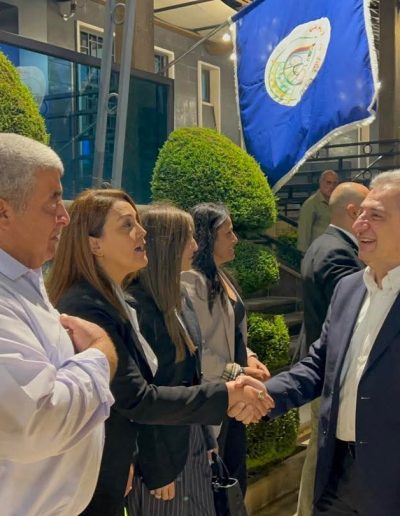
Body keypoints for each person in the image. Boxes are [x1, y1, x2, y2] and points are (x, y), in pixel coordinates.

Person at [46, 189, 274, 516]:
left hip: (132, 461)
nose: (141, 232)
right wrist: (228, 393)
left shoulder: (117, 299)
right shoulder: (88, 305)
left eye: (138, 223)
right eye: (127, 225)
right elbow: (136, 398)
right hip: (97, 475)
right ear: (94, 244)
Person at [265, 170, 400, 515]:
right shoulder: (348, 288)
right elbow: (320, 364)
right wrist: (264, 395)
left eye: (375, 216)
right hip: (336, 479)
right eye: (360, 214)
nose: (359, 225)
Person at [0, 133, 117, 516]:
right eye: (53, 201)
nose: (64, 217)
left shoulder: (26, 280)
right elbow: (35, 421)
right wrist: (100, 355)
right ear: (3, 212)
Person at [127, 203, 216, 515]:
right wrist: (156, 467)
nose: (195, 246)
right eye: (187, 238)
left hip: (191, 440)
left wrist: (207, 437)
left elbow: (193, 377)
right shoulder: (136, 307)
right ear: (167, 246)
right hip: (162, 458)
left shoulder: (180, 298)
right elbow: (139, 397)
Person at [182, 202, 270, 495]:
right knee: (217, 484)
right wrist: (236, 370)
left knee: (234, 476)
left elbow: (233, 333)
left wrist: (251, 356)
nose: (236, 239)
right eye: (228, 233)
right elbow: (195, 347)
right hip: (216, 395)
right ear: (208, 238)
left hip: (234, 392)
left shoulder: (221, 276)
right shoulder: (192, 281)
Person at [296, 182, 369, 516]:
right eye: (368, 213)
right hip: (329, 368)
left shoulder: (323, 244)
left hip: (322, 362)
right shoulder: (338, 253)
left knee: (318, 448)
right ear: (353, 212)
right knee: (322, 451)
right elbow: (350, 317)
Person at [297, 169, 339, 252]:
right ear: (321, 183)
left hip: (334, 250)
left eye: (334, 183)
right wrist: (305, 254)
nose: (332, 186)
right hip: (317, 252)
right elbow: (304, 232)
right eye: (328, 182)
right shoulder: (311, 204)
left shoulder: (337, 202)